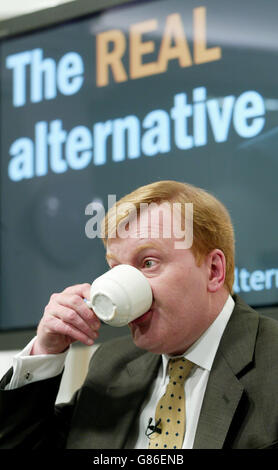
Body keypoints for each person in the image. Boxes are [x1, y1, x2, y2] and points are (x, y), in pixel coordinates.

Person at [0, 180, 278, 449]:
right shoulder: (112, 364)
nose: (123, 284)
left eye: (148, 262)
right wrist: (45, 350)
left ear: (213, 271)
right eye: (115, 267)